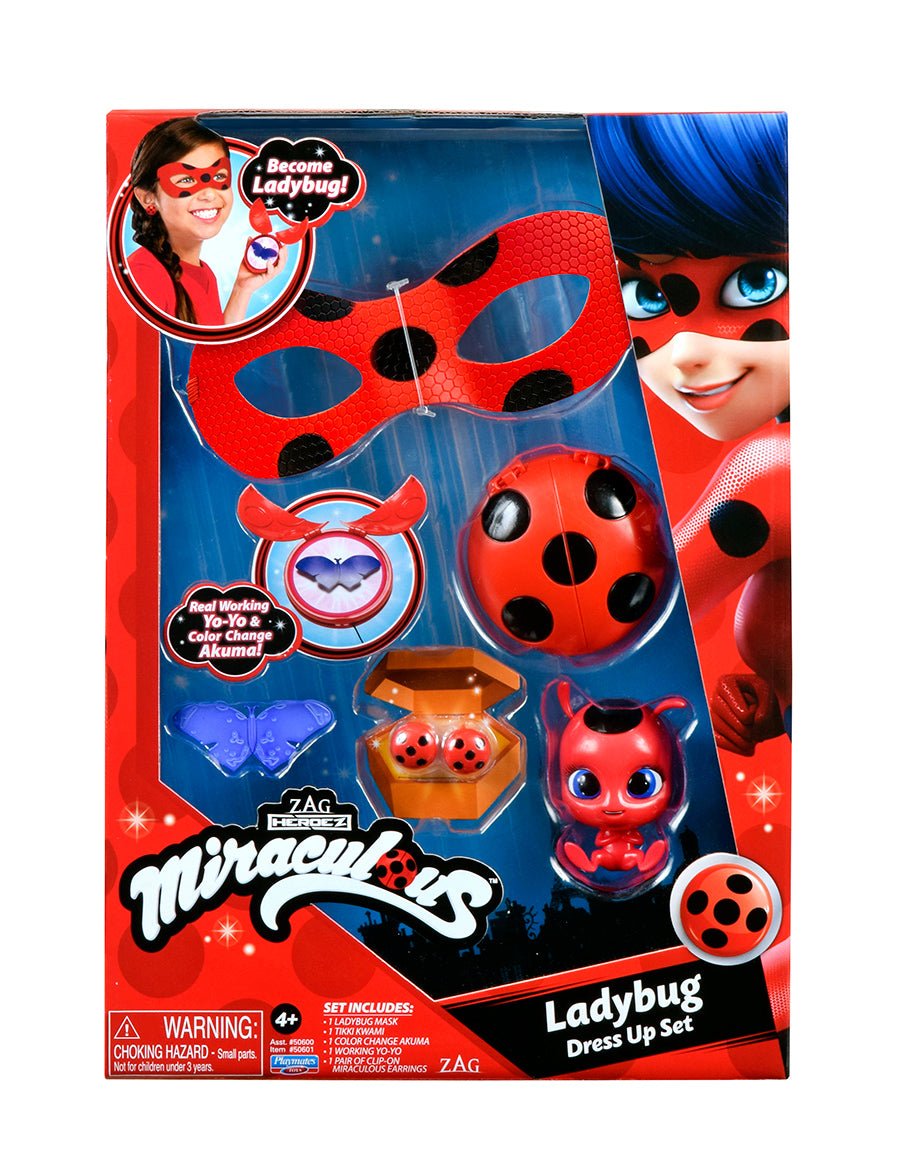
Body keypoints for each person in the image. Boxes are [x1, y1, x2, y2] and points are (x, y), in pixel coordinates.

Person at [590, 113, 790, 755]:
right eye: (643, 295)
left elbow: (618, 616)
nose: (686, 353)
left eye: (756, 283)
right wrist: (780, 709)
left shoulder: (776, 473)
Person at [128, 117, 285, 326]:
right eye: (186, 179)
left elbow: (215, 343)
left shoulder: (205, 274)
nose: (209, 194)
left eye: (219, 176)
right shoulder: (144, 274)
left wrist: (242, 288)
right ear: (148, 198)